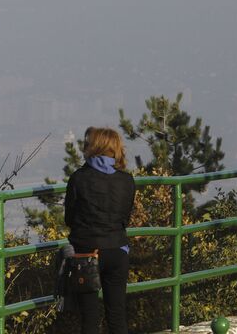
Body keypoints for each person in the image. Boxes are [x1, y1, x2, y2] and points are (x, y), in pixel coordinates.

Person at [64, 127, 136, 334]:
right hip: (118, 250)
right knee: (117, 316)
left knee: (90, 319)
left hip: (87, 254)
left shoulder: (79, 178)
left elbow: (69, 218)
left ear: (94, 147)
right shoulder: (127, 180)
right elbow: (125, 218)